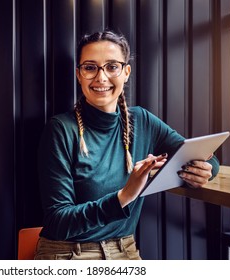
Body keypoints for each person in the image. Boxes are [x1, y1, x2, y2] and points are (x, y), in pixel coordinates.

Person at [35, 30, 219, 260]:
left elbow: (200, 153)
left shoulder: (142, 121)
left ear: (126, 72)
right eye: (90, 67)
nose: (101, 78)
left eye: (112, 67)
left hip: (126, 250)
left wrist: (208, 169)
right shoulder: (60, 129)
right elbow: (58, 221)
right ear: (78, 75)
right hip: (69, 253)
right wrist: (125, 195)